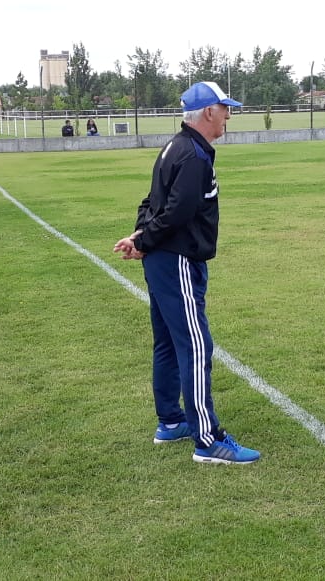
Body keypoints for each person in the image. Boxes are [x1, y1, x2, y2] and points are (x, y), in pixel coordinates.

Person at [113, 81, 259, 465]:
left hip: (164, 259)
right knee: (196, 345)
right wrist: (144, 241)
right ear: (209, 112)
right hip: (176, 260)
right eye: (225, 109)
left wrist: (140, 238)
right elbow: (175, 212)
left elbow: (150, 204)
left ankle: (171, 421)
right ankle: (207, 441)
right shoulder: (192, 155)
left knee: (167, 341)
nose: (228, 116)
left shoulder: (175, 147)